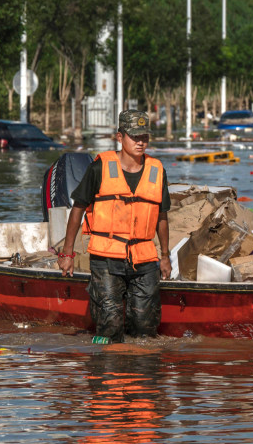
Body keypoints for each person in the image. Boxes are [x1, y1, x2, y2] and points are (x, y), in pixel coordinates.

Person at [57, 110, 171, 343]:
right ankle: (106, 361)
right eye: (135, 136)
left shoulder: (157, 170)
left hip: (144, 257)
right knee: (110, 323)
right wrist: (68, 253)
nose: (140, 142)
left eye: (144, 137)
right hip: (106, 257)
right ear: (120, 137)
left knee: (145, 326)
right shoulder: (99, 167)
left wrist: (165, 256)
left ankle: (139, 364)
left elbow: (162, 216)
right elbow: (78, 209)